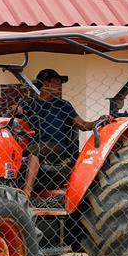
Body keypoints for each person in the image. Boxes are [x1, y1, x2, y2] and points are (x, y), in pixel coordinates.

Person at [19, 69, 111, 199]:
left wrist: (99, 120)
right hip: (33, 146)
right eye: (57, 82)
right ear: (45, 83)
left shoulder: (64, 105)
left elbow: (84, 125)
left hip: (57, 149)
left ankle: (26, 193)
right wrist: (15, 110)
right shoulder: (30, 104)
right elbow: (15, 114)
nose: (60, 86)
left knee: (36, 151)